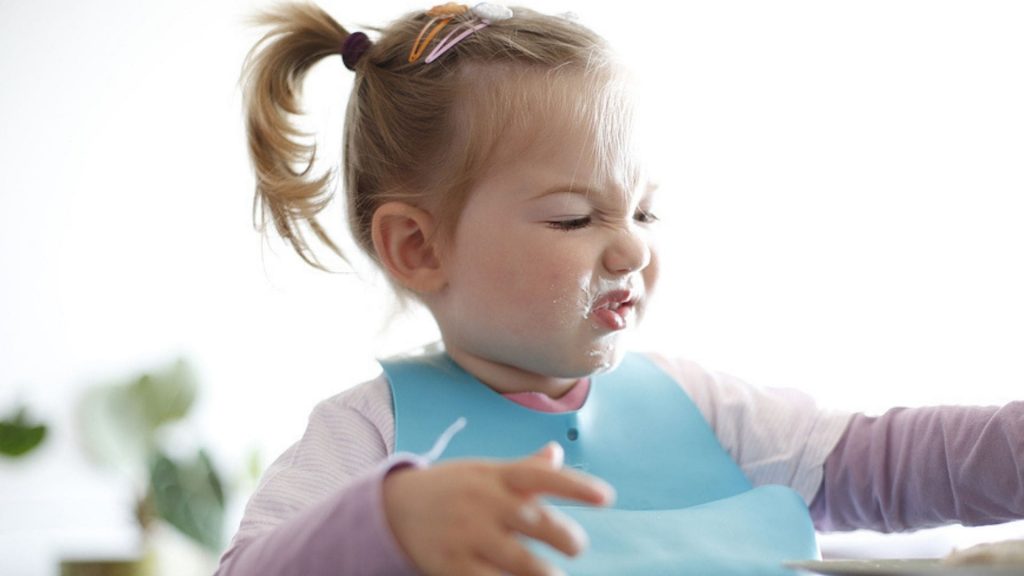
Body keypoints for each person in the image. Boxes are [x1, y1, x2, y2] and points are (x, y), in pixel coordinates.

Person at [218, 3, 1024, 575]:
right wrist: (390, 526)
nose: (634, 245)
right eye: (574, 219)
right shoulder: (370, 435)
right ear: (418, 247)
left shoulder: (701, 407)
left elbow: (888, 468)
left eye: (645, 209)